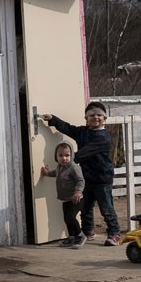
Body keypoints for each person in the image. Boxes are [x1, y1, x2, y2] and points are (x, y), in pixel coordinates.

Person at [40, 102, 123, 245]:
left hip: (102, 178)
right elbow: (68, 128)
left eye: (99, 115)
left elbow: (85, 152)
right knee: (86, 208)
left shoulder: (103, 137)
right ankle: (88, 231)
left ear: (105, 118)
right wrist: (53, 119)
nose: (95, 117)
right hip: (86, 177)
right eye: (91, 115)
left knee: (106, 208)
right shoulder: (83, 132)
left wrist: (67, 159)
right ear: (86, 118)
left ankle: (114, 234)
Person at [38, 142, 85, 248]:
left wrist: (78, 192)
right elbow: (56, 173)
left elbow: (80, 180)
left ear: (71, 155)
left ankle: (80, 235)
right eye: (61, 155)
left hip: (76, 199)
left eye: (67, 155)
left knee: (71, 217)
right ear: (56, 157)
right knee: (66, 219)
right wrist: (47, 173)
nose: (64, 158)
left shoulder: (74, 167)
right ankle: (71, 238)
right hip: (65, 199)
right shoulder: (60, 167)